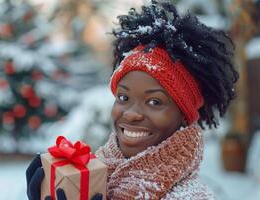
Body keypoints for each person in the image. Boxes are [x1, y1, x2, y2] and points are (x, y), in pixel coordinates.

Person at [26, 0, 239, 199]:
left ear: (184, 115)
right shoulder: (95, 174)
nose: (130, 113)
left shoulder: (190, 196)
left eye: (154, 102)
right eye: (123, 97)